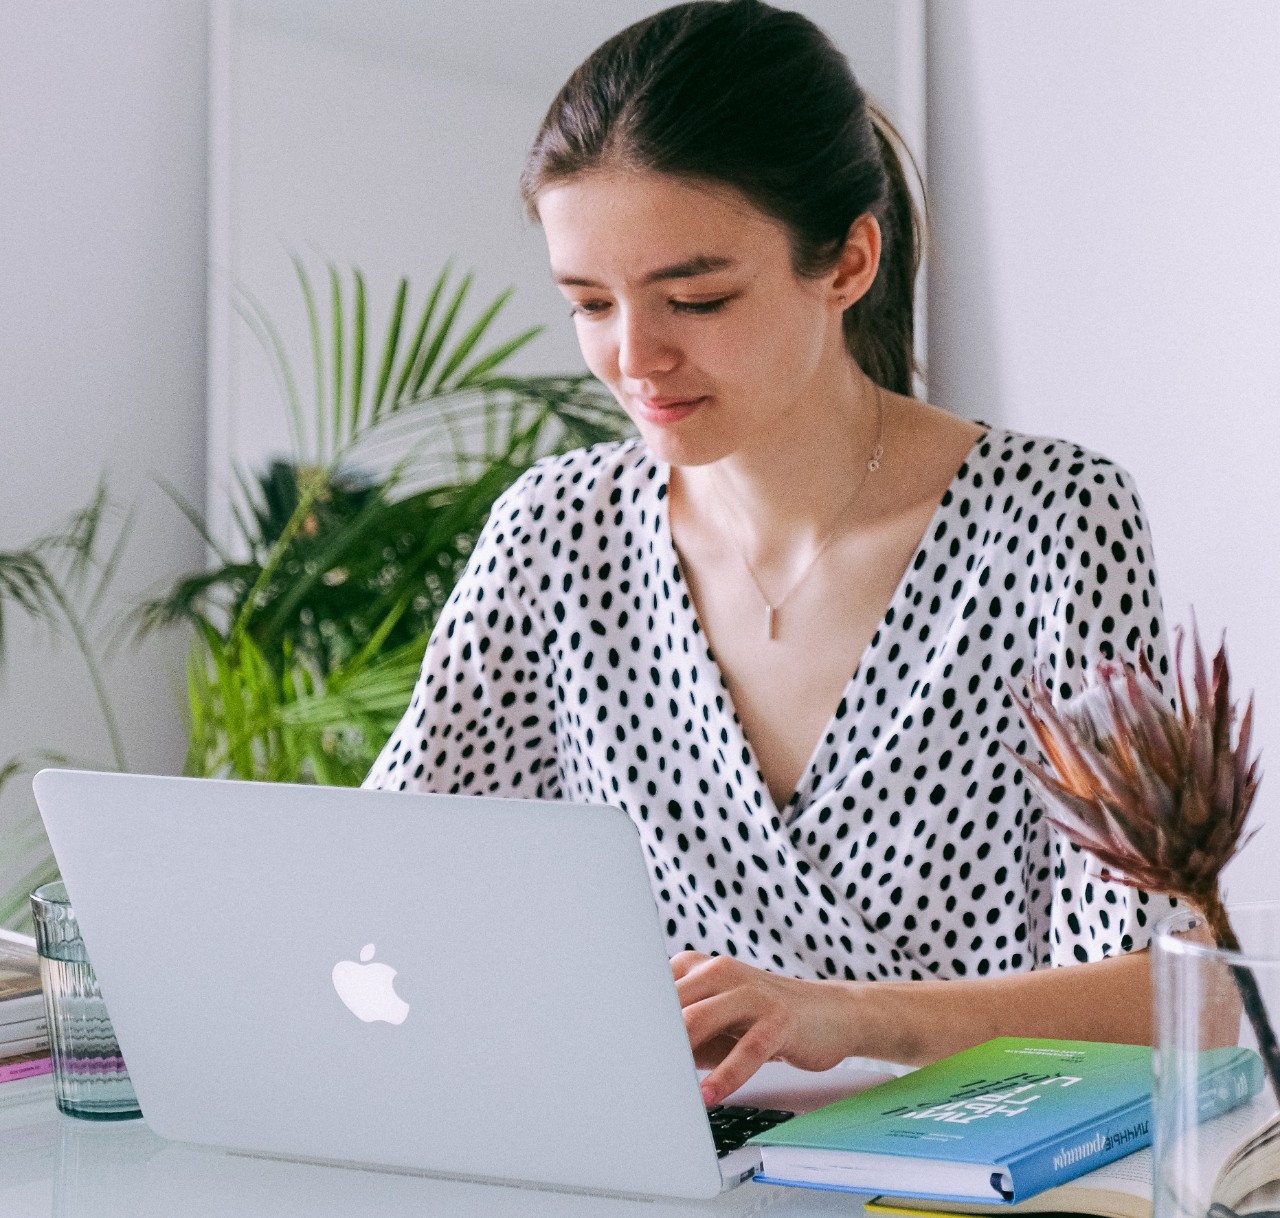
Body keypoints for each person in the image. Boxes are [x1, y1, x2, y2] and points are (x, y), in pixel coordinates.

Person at [364, 0, 1174, 1106]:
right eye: (588, 303)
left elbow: (1166, 994)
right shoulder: (554, 534)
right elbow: (379, 882)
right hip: (666, 1164)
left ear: (846, 262)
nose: (633, 358)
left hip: (977, 1165)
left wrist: (836, 1016)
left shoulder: (1051, 523)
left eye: (695, 298)